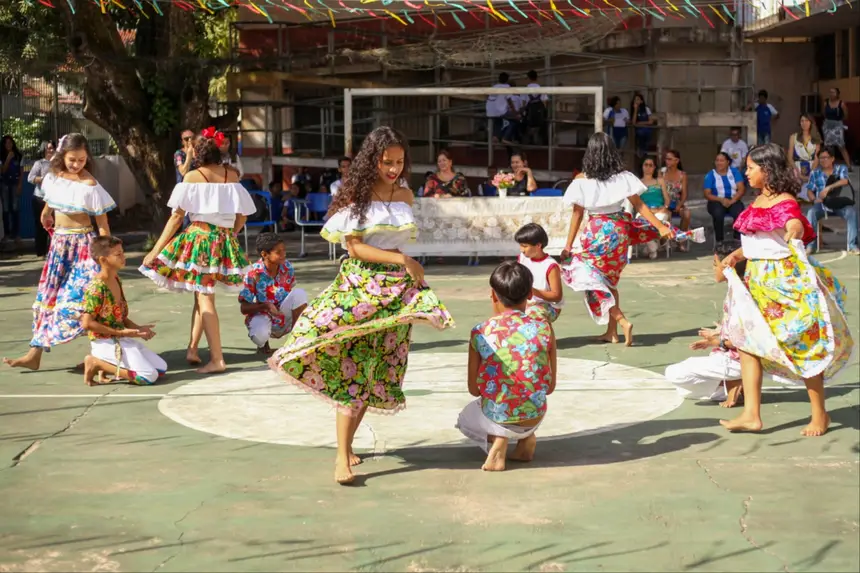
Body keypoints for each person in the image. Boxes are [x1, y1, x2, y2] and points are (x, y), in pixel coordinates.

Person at [268, 126, 454, 485]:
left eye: (400, 162)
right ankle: (341, 458)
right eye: (387, 162)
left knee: (374, 370)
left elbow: (395, 244)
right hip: (361, 285)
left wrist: (405, 268)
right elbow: (354, 248)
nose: (394, 169)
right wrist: (403, 262)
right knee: (351, 367)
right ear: (373, 160)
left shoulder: (405, 196)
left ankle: (348, 446)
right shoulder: (359, 194)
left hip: (396, 294)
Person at [717, 143, 853, 436]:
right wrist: (738, 255)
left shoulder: (785, 200)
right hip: (754, 281)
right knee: (747, 343)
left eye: (751, 167)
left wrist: (795, 229)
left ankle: (820, 414)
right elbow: (761, 239)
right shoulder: (757, 201)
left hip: (783, 281)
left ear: (767, 170)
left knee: (803, 342)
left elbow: (793, 222)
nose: (746, 171)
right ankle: (752, 414)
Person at [559, 133, 703, 347]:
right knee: (609, 281)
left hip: (597, 231)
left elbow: (577, 214)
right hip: (619, 232)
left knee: (586, 278)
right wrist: (661, 226)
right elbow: (640, 206)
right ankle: (611, 332)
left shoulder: (582, 180)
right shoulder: (622, 176)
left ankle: (622, 321)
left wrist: (568, 246)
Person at [140, 129, 257, 374]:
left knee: (204, 298)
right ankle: (193, 349)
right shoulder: (232, 175)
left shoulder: (193, 177)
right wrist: (230, 235)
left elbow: (176, 218)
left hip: (200, 239)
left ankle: (217, 359)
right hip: (223, 241)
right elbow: (243, 214)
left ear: (197, 155)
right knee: (202, 293)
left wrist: (156, 250)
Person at [4, 133, 116, 371]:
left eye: (82, 160)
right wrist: (46, 212)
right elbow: (51, 200)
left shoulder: (90, 185)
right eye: (72, 159)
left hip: (84, 248)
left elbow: (103, 224)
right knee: (48, 297)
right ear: (62, 156)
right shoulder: (53, 176)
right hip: (59, 246)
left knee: (82, 300)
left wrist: (106, 254)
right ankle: (34, 354)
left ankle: (102, 356)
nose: (77, 164)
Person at [456, 261, 556, 471]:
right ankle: (525, 439)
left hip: (499, 415)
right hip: (535, 415)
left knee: (465, 418)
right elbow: (550, 386)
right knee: (524, 401)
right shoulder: (544, 327)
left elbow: (474, 388)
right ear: (530, 294)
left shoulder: (480, 331)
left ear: (493, 295)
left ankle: (498, 441)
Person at [81, 236, 166, 386]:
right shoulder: (96, 288)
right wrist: (121, 333)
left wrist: (138, 329)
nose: (123, 257)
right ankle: (96, 362)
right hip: (105, 341)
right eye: (118, 254)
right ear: (103, 260)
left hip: (120, 338)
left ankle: (107, 366)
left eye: (122, 253)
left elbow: (121, 318)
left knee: (161, 369)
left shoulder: (115, 278)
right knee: (147, 376)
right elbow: (87, 323)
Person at [239, 232, 308, 355]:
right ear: (264, 254)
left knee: (299, 294)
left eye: (284, 250)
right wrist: (266, 306)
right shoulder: (252, 273)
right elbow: (244, 308)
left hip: (282, 314)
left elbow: (292, 295)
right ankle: (263, 344)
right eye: (278, 252)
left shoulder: (287, 267)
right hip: (263, 314)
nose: (283, 255)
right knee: (259, 337)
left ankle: (296, 339)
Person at [804, 146, 858, 255]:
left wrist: (829, 187)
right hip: (822, 205)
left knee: (851, 212)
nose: (823, 160)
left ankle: (852, 245)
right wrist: (814, 199)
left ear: (832, 158)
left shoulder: (840, 168)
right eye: (821, 158)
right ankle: (810, 246)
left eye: (826, 157)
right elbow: (809, 191)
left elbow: (845, 181)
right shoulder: (815, 173)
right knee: (811, 213)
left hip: (839, 204)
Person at [514, 223, 563, 323]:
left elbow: (557, 296)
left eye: (525, 246)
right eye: (520, 245)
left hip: (549, 307)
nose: (521, 250)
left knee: (532, 312)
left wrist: (531, 291)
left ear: (538, 245)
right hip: (526, 303)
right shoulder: (522, 258)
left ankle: (547, 336)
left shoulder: (550, 265)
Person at [704, 152, 747, 244]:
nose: (719, 163)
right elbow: (707, 194)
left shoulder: (734, 172)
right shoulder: (710, 175)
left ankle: (737, 240)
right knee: (718, 214)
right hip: (716, 200)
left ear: (728, 162)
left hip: (733, 199)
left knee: (739, 213)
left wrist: (732, 201)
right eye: (717, 160)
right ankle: (719, 241)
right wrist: (721, 200)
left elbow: (741, 189)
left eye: (722, 161)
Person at [27, 140, 55, 258]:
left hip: (55, 199)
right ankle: (41, 252)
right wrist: (43, 179)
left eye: (52, 147)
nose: (51, 150)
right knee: (41, 226)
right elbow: (30, 178)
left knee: (54, 226)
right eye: (48, 148)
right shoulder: (40, 163)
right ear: (44, 150)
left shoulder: (58, 163)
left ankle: (53, 252)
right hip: (40, 198)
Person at [638, 157, 670, 259]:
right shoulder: (637, 182)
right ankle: (653, 248)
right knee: (641, 224)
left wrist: (665, 207)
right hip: (644, 211)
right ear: (642, 167)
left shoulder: (659, 181)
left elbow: (667, 198)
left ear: (654, 167)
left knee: (659, 222)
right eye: (645, 165)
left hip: (660, 210)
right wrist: (647, 211)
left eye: (650, 165)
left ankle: (649, 249)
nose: (648, 167)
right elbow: (636, 202)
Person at [661, 149, 692, 248]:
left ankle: (680, 240)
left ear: (676, 161)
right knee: (666, 215)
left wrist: (679, 204)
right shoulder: (662, 173)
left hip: (676, 202)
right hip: (663, 202)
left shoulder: (682, 175)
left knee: (686, 214)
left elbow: (684, 194)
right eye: (666, 159)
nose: (667, 161)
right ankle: (663, 240)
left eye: (670, 159)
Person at [1, 134, 24, 248]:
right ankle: (6, 234)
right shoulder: (1, 156)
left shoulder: (18, 156)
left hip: (15, 184)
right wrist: (8, 159)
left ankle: (16, 234)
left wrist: (20, 185)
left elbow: (21, 171)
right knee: (5, 209)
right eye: (6, 143)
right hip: (5, 184)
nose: (9, 145)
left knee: (15, 209)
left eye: (10, 142)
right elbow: (2, 171)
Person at [822, 87, 852, 171]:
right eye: (830, 92)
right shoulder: (826, 103)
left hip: (837, 125)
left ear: (837, 94)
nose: (831, 94)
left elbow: (846, 115)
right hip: (828, 125)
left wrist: (838, 121)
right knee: (828, 146)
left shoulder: (841, 104)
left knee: (841, 146)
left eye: (833, 92)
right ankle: (829, 164)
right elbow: (823, 113)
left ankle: (849, 165)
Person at [787, 114, 821, 183]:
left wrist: (811, 174)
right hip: (797, 168)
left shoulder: (816, 137)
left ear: (811, 122)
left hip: (813, 168)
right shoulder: (793, 137)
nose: (804, 123)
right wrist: (798, 173)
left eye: (807, 120)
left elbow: (817, 157)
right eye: (802, 121)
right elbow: (789, 158)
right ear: (799, 123)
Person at [630, 93, 654, 165]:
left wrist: (640, 123)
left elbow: (651, 121)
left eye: (638, 99)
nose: (636, 101)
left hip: (647, 129)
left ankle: (644, 154)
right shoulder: (634, 110)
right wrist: (635, 110)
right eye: (635, 100)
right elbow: (634, 122)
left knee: (646, 140)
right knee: (640, 135)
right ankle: (642, 153)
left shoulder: (646, 109)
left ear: (642, 101)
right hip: (639, 131)